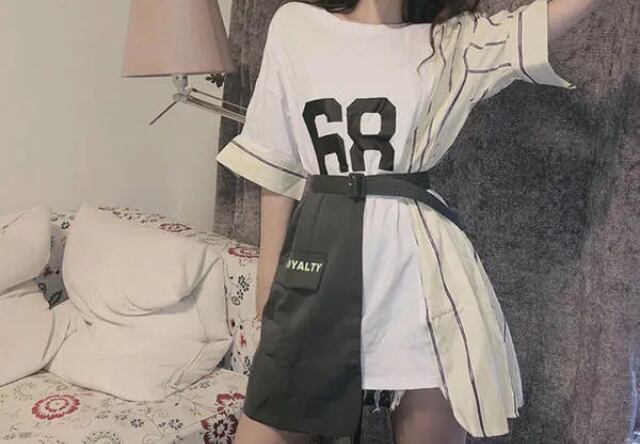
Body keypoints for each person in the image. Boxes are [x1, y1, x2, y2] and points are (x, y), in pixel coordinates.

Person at [215, 0, 602, 443]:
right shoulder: (296, 25)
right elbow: (276, 157)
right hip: (321, 256)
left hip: (421, 273)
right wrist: (269, 276)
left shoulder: (452, 40)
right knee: (267, 423)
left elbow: (534, 25)